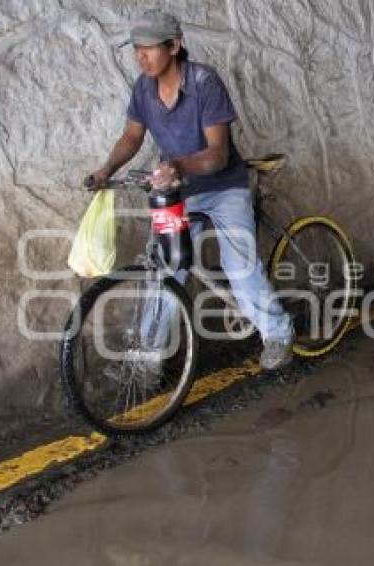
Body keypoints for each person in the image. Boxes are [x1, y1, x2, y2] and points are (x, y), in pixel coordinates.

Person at [89, 12, 294, 370]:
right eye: (137, 49)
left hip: (223, 185)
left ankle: (277, 333)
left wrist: (179, 166)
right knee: (167, 267)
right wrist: (107, 169)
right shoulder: (143, 88)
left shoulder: (204, 82)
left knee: (238, 263)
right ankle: (145, 364)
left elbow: (218, 153)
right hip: (181, 191)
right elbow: (132, 136)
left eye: (149, 48)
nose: (141, 56)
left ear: (174, 45)